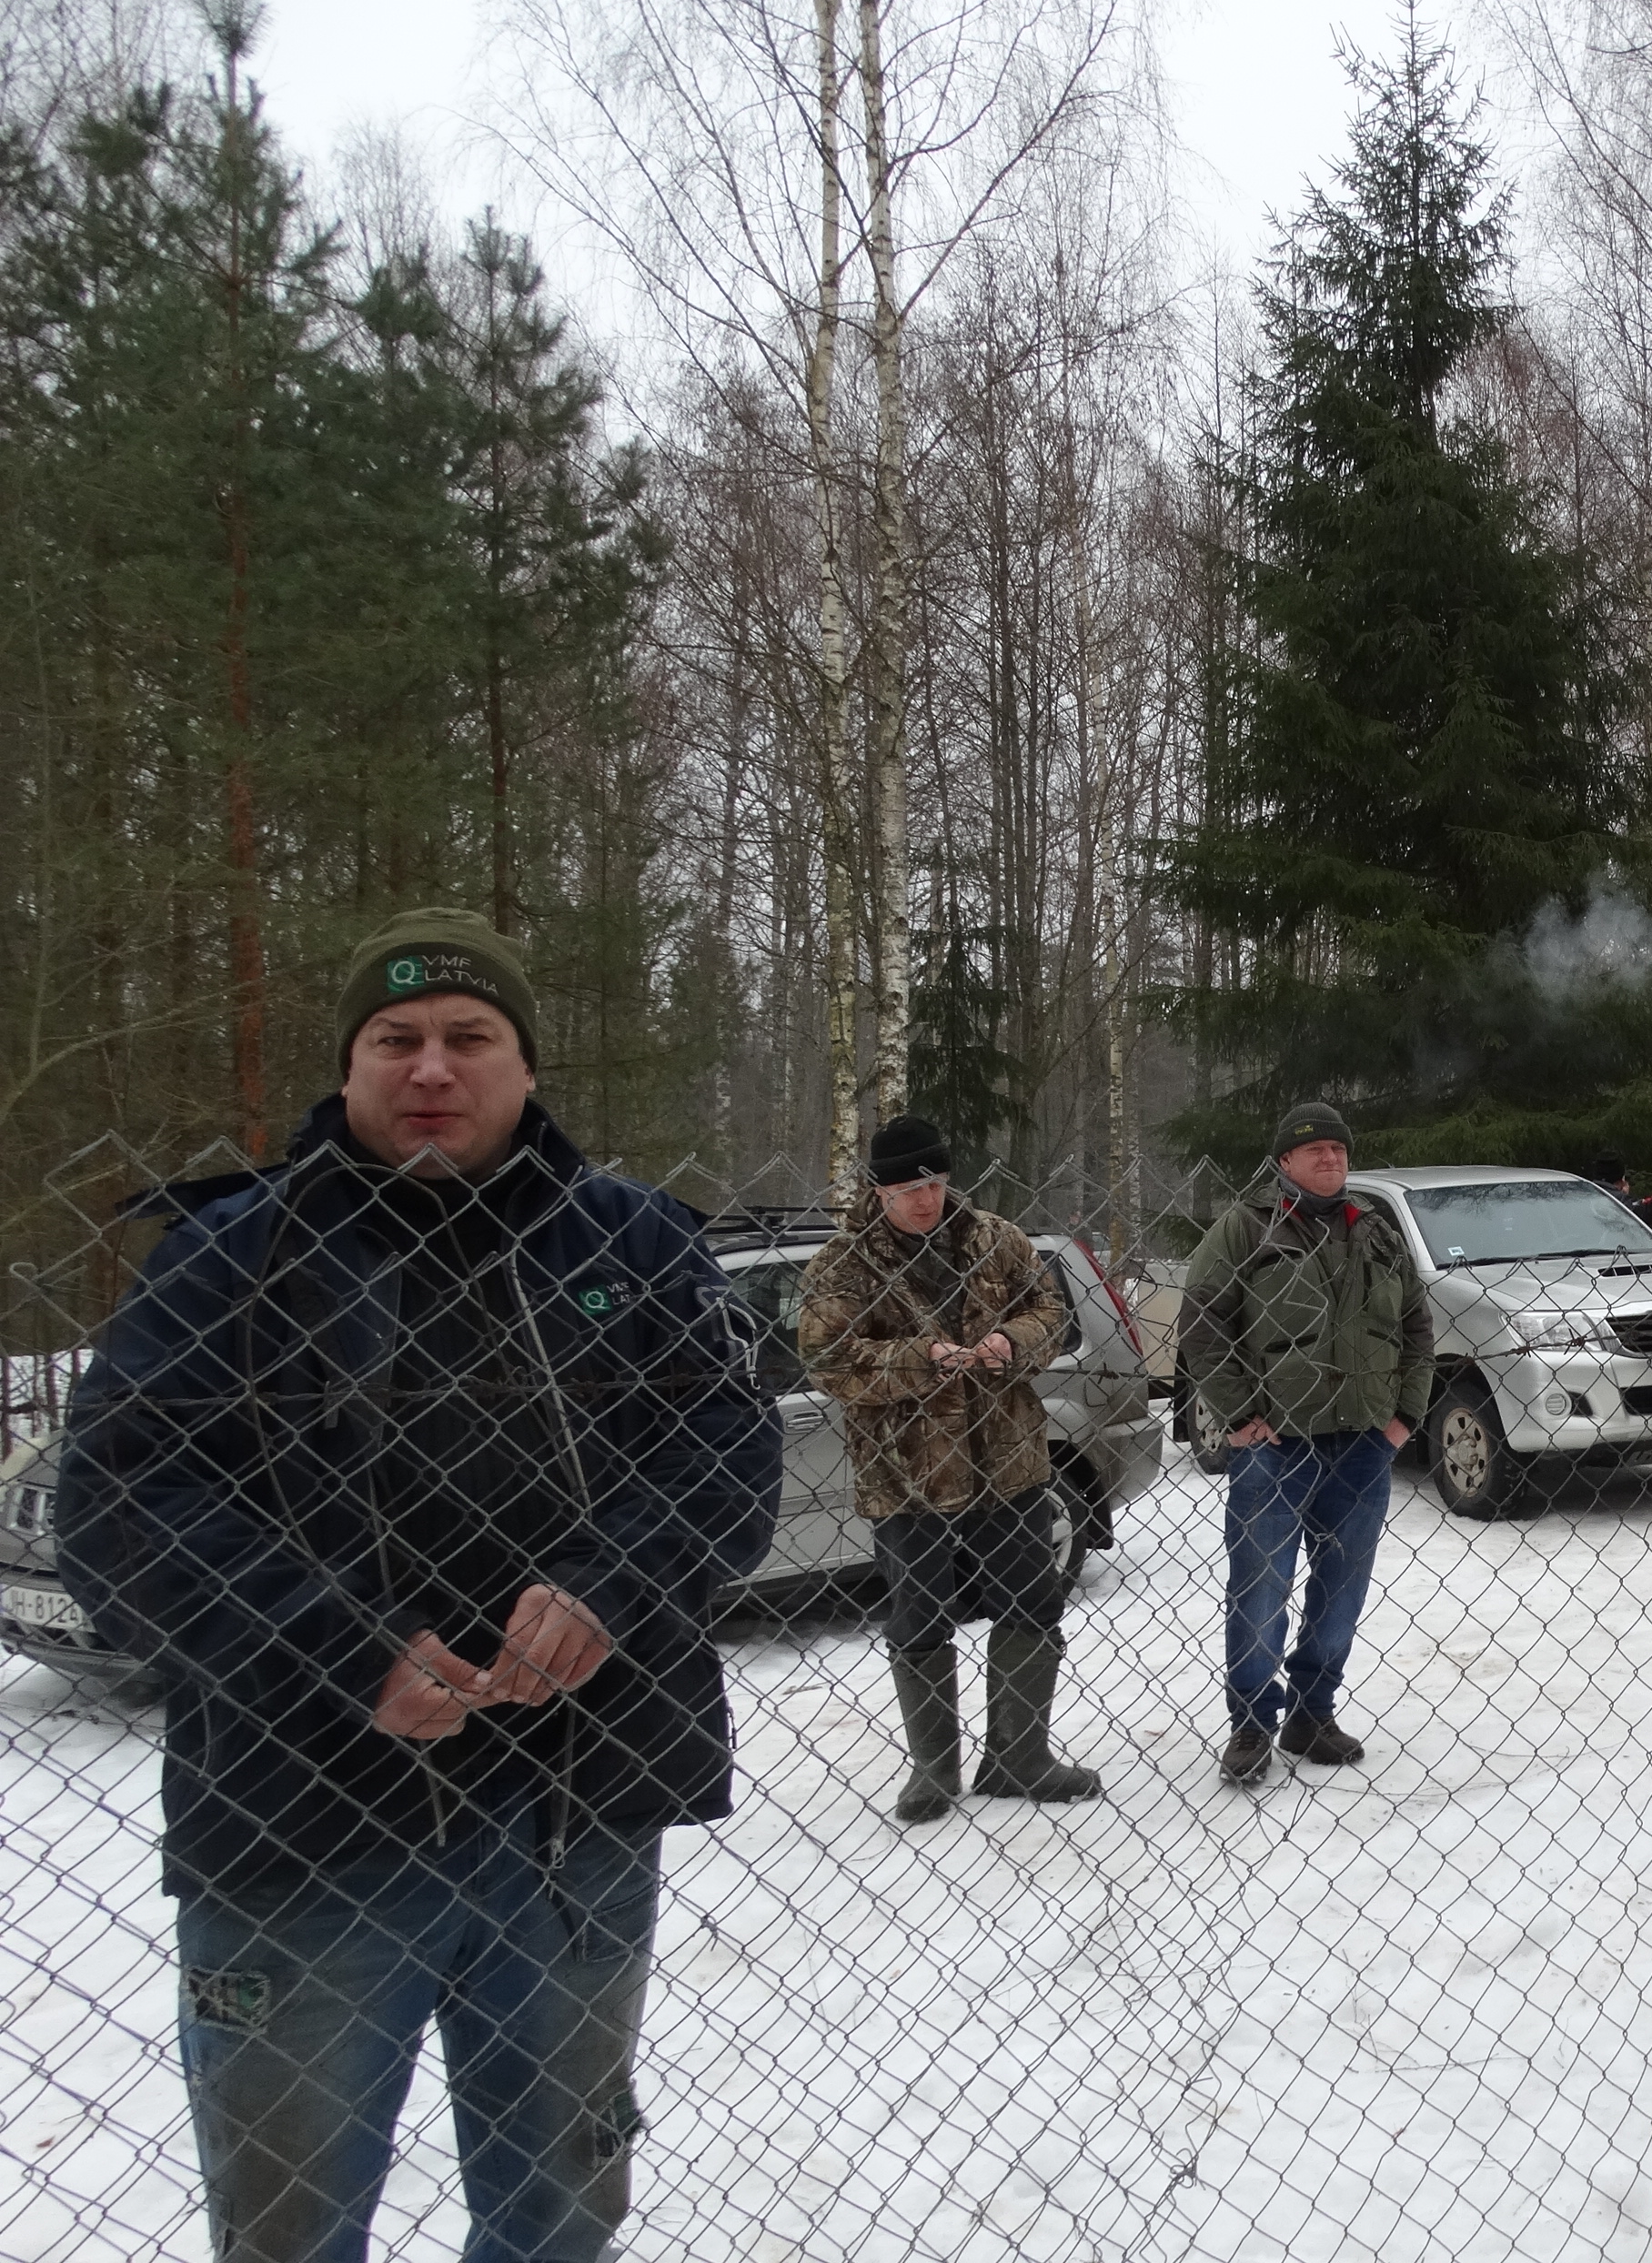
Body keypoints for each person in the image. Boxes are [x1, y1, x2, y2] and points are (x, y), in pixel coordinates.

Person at [59, 906, 781, 2263]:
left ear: (526, 1064)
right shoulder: (230, 1260)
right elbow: (118, 1507)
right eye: (395, 1040)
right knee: (287, 2233)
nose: (432, 1067)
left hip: (572, 1824)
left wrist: (610, 1588)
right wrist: (342, 1652)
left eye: (469, 1036)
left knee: (560, 2213)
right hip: (304, 1834)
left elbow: (725, 1458)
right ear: (349, 1066)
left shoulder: (633, 1245)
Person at [799, 1115, 1092, 1822]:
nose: (925, 1199)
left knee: (1032, 1602)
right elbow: (826, 1359)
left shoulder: (996, 1238)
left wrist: (1010, 1342)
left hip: (1008, 1459)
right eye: (908, 1189)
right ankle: (933, 1769)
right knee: (919, 1615)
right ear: (879, 1191)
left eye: (934, 1182)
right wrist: (919, 1360)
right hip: (907, 1473)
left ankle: (1019, 1756)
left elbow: (1050, 1310)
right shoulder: (842, 1264)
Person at [1182, 1101, 1433, 1784]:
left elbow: (1417, 1328)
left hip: (1363, 1444)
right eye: (1315, 1149)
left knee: (1342, 1588)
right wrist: (1240, 1416)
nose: (1330, 1158)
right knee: (1261, 1587)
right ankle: (1251, 1723)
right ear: (1284, 1162)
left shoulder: (1376, 1231)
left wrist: (1404, 1417)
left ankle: (1311, 1712)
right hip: (1277, 1446)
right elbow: (1202, 1323)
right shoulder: (1244, 1227)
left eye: (1339, 1149)